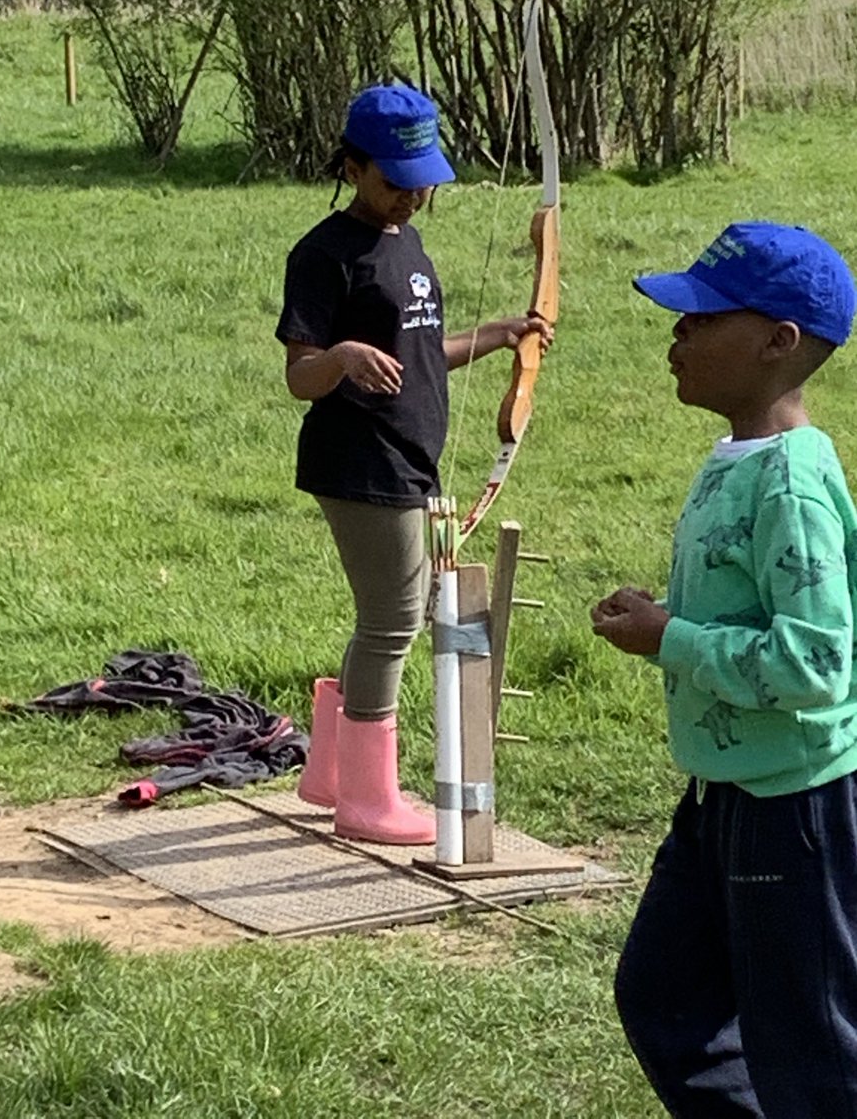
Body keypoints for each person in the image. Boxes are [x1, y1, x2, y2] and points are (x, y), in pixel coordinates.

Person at [591, 221, 857, 1117]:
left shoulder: (790, 483)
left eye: (701, 321)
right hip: (721, 798)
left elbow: (817, 664)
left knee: (810, 1050)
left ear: (779, 342)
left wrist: (670, 638)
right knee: (665, 996)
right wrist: (667, 621)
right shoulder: (740, 461)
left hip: (794, 810)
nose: (677, 338)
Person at [276, 83, 552, 846]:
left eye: (421, 182)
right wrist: (340, 357)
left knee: (380, 618)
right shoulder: (324, 255)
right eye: (395, 182)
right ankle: (367, 799)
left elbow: (423, 357)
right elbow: (301, 375)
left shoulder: (410, 247)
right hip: (359, 463)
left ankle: (330, 774)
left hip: (409, 460)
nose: (410, 198)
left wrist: (496, 336)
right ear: (355, 167)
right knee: (394, 623)